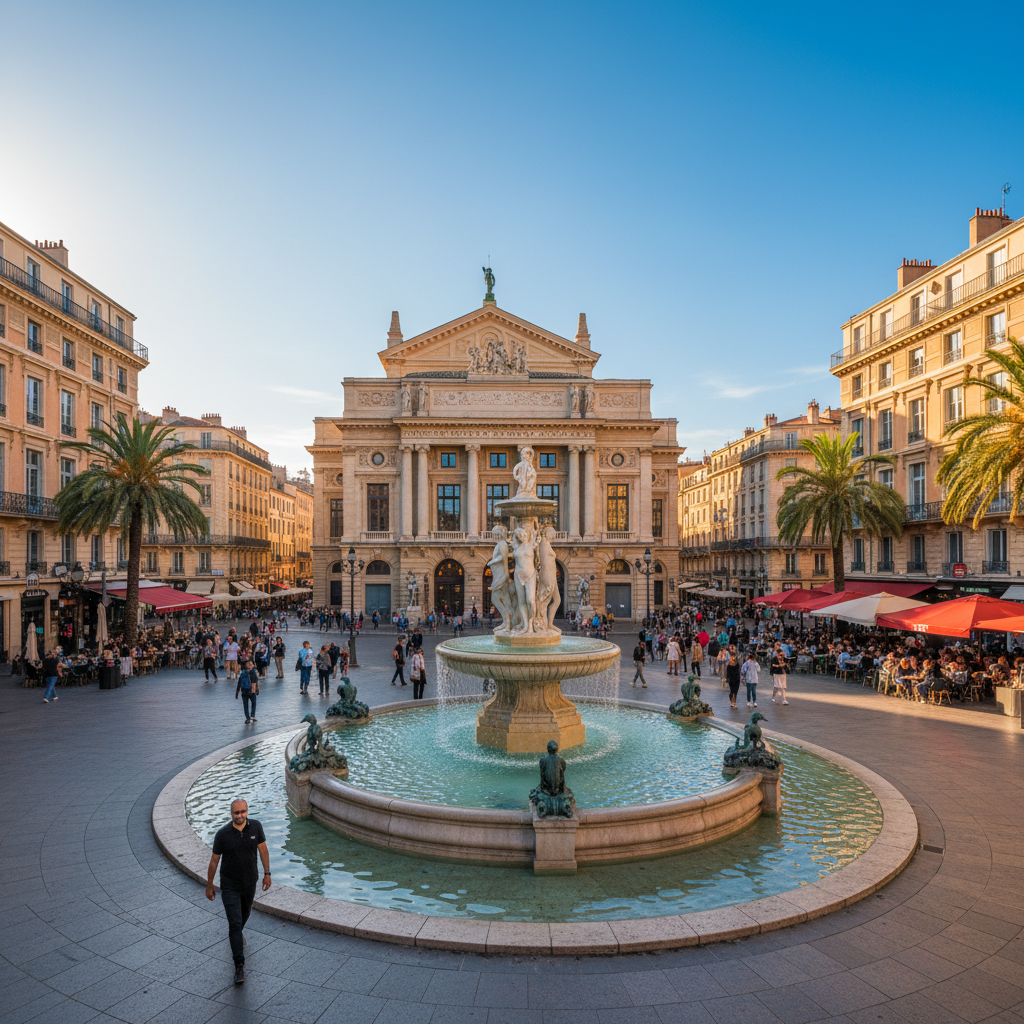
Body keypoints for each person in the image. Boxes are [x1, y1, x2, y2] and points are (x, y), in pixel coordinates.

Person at [205, 798, 271, 987]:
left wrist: (267, 874)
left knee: (245, 914)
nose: (240, 815)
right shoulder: (222, 834)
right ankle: (239, 966)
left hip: (250, 882)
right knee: (234, 924)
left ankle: (237, 935)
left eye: (243, 812)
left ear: (247, 811)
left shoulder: (256, 827)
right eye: (236, 813)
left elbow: (263, 851)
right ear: (231, 814)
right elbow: (213, 862)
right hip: (230, 885)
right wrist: (210, 885)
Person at [235, 656, 258, 722]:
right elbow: (255, 681)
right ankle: (253, 716)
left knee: (245, 705)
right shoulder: (253, 672)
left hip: (244, 691)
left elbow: (239, 683)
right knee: (253, 703)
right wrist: (257, 690)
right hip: (251, 691)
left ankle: (247, 718)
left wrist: (237, 693)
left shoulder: (242, 673)